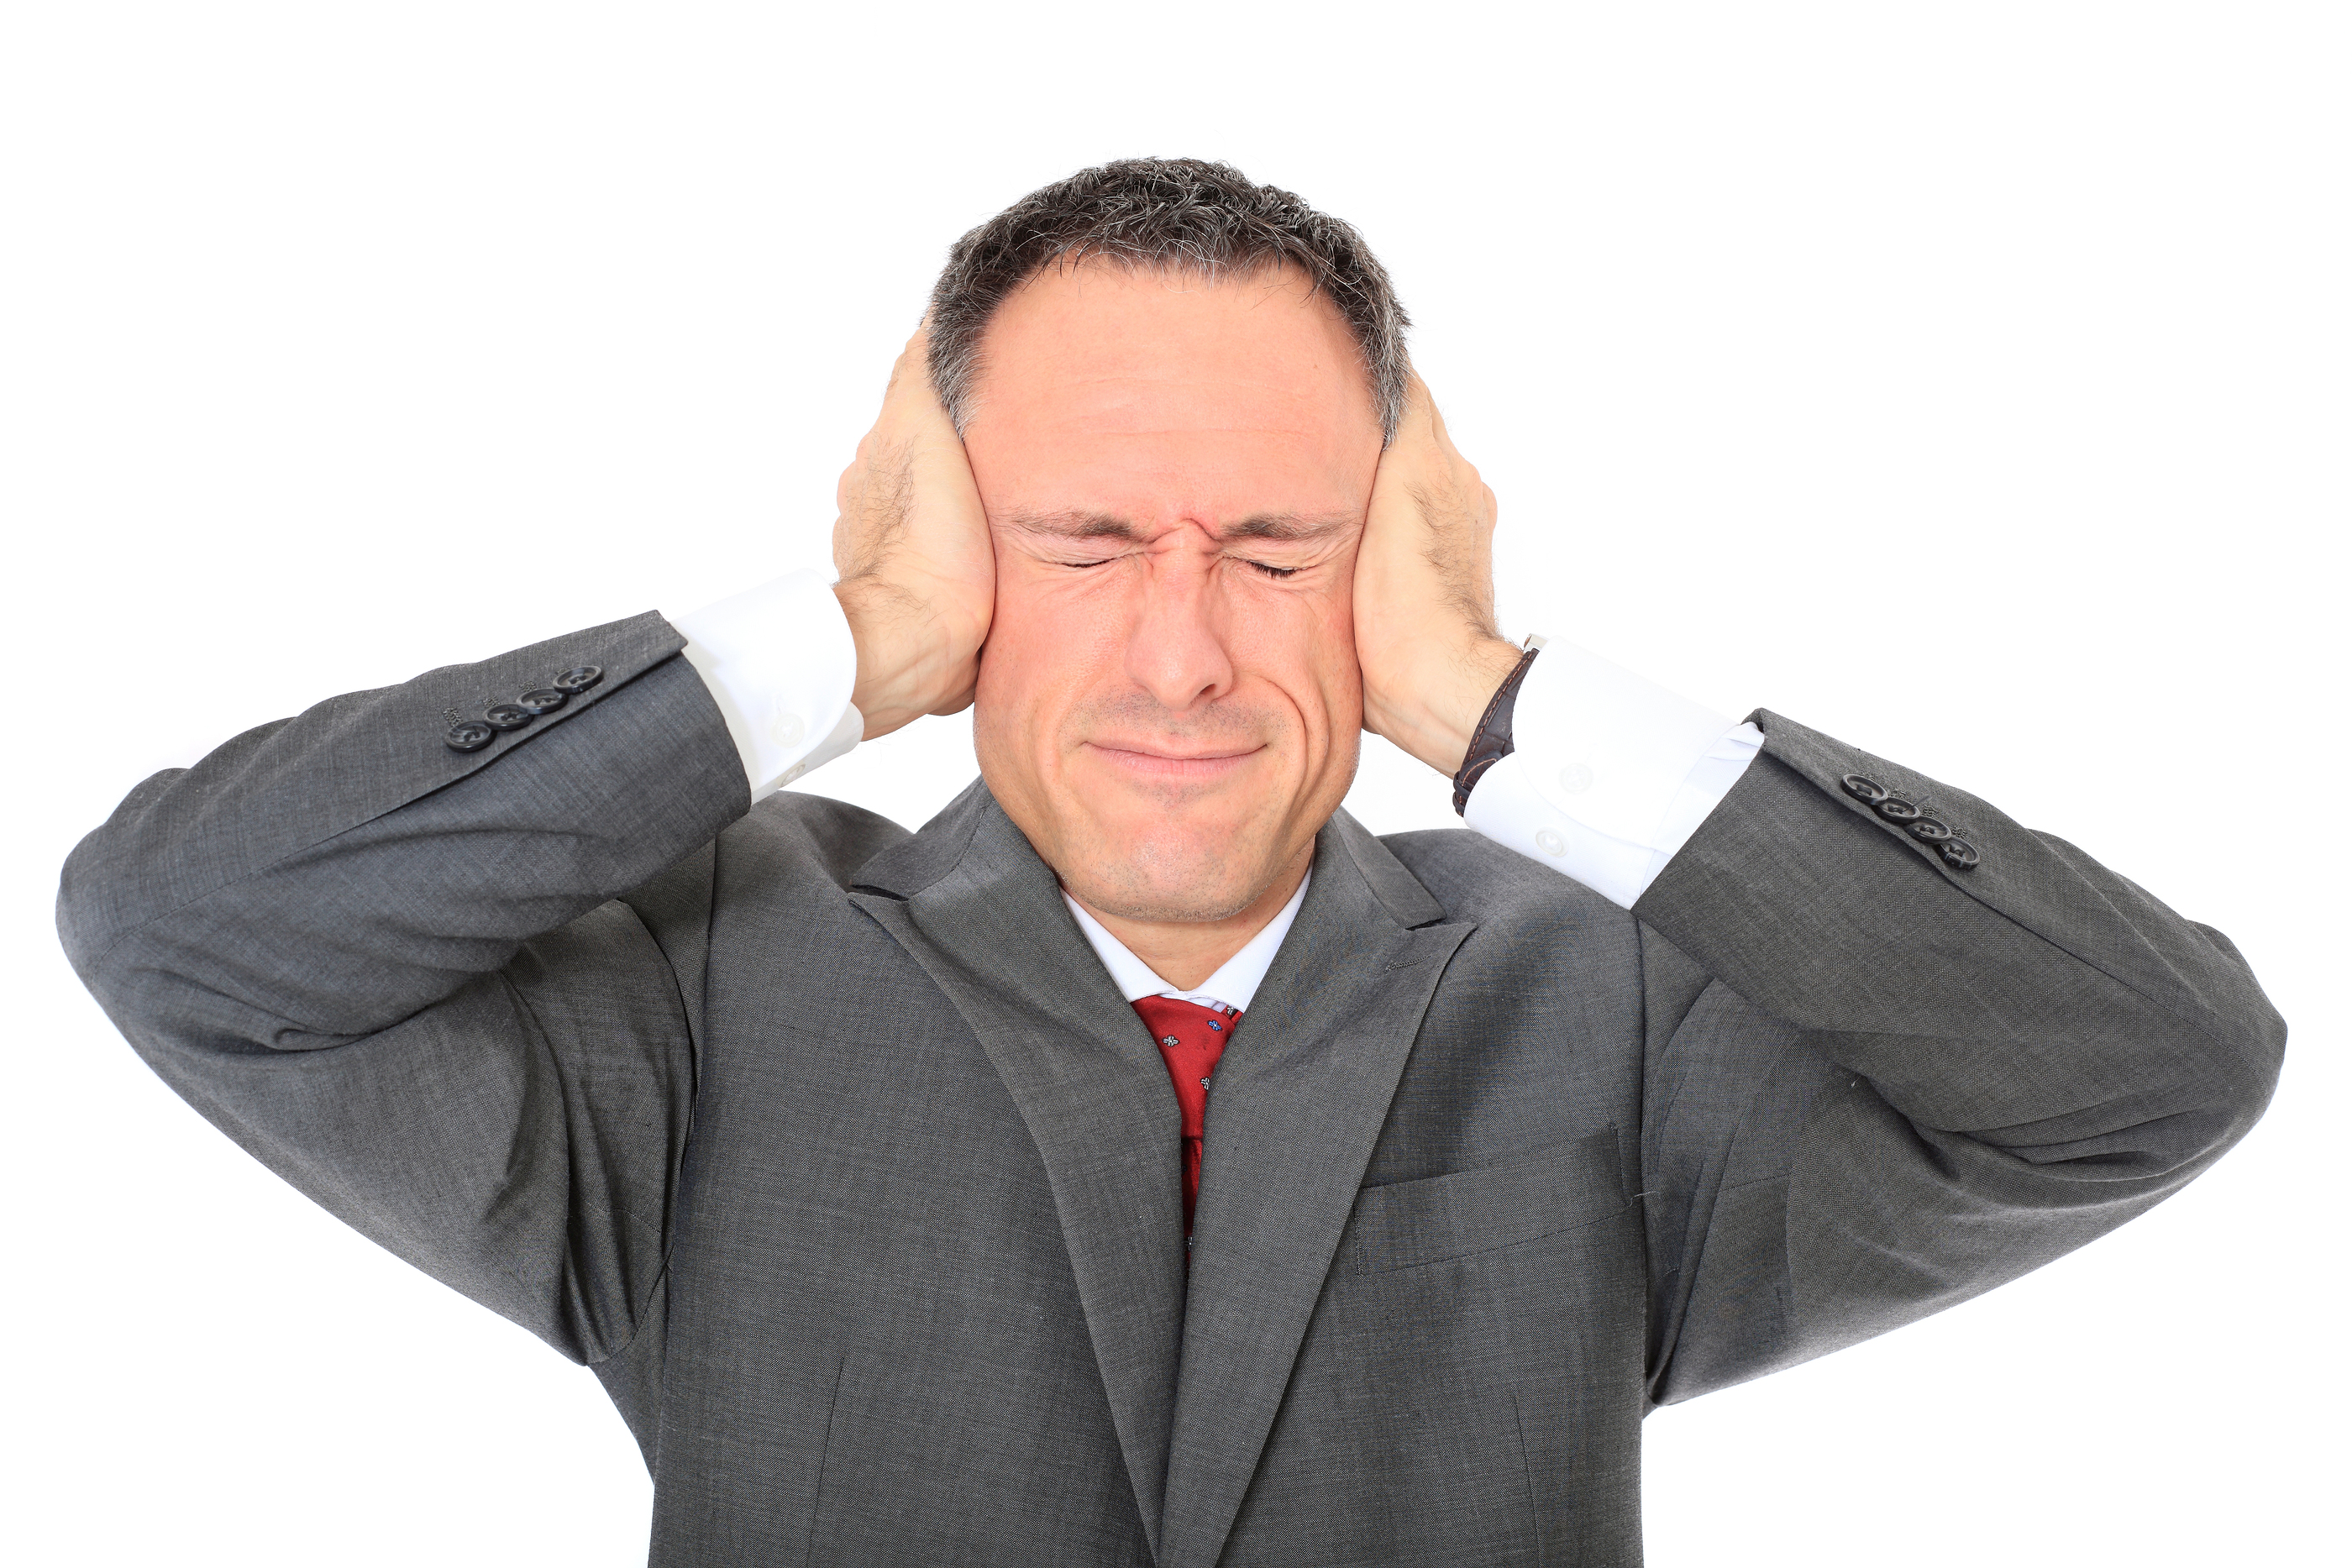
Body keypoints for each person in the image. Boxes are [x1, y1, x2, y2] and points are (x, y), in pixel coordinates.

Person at [58, 158, 2284, 1567]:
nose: (1187, 650)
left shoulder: (1602, 994)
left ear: (1388, 560)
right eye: (1087, 540)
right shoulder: (710, 985)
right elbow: (188, 933)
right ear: (956, 549)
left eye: (1281, 546)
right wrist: (841, 644)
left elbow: (2146, 1074)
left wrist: (1492, 701)